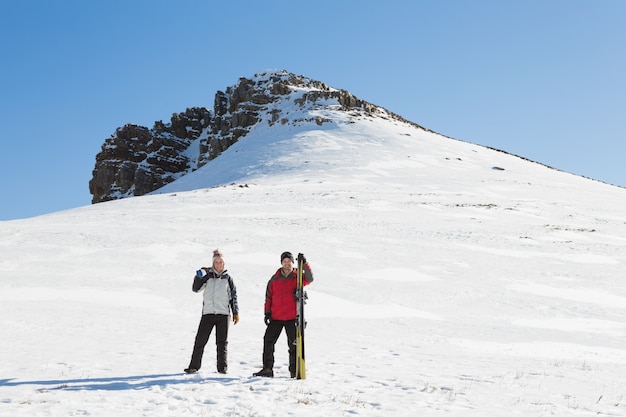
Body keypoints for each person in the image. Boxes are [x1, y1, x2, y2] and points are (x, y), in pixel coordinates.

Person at [253, 251, 314, 378]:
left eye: (289, 261)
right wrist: (267, 313)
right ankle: (267, 369)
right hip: (276, 317)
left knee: (293, 345)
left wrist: (305, 264)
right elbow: (268, 297)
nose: (287, 264)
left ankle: (294, 370)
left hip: (292, 317)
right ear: (281, 263)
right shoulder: (274, 279)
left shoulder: (297, 277)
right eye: (284, 261)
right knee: (268, 342)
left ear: (292, 262)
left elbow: (310, 278)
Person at [184, 249, 239, 374]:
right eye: (216, 262)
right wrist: (198, 278)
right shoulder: (207, 277)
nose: (218, 264)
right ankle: (194, 366)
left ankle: (222, 369)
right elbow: (196, 289)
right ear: (213, 263)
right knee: (200, 340)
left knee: (222, 343)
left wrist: (235, 312)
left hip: (223, 314)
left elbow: (233, 296)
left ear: (224, 264)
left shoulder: (228, 279)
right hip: (208, 313)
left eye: (221, 262)